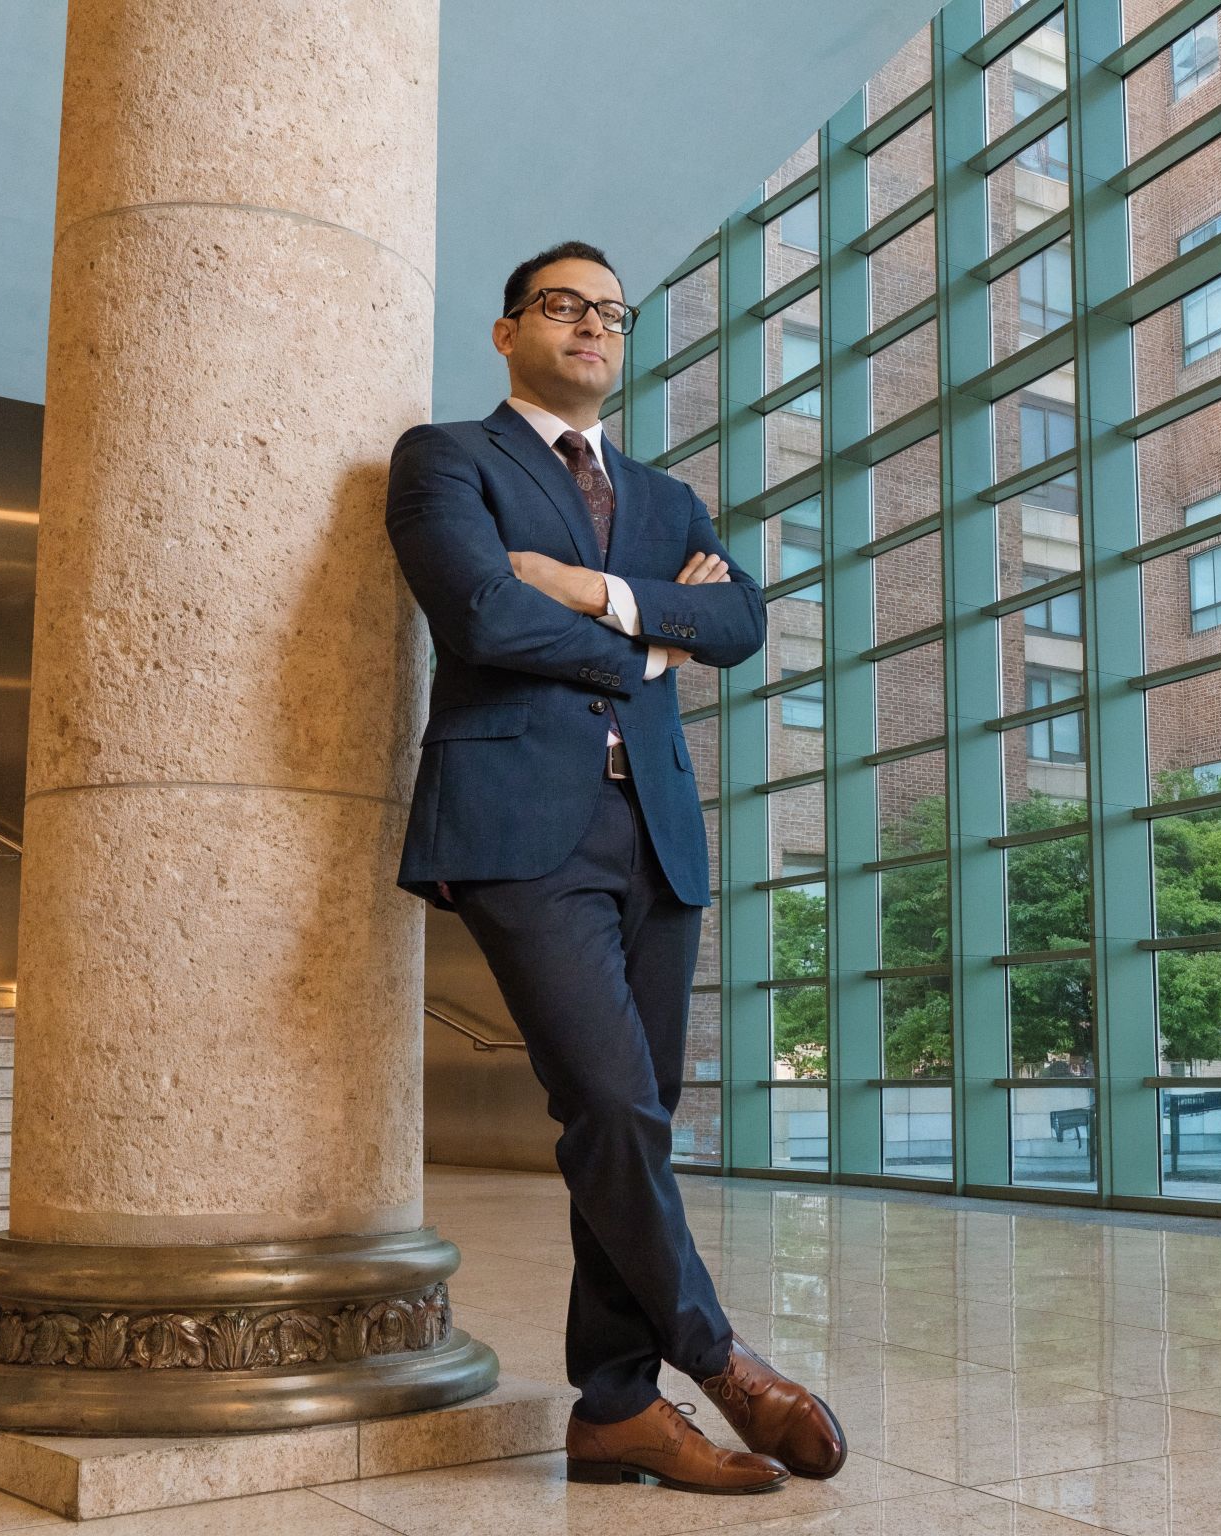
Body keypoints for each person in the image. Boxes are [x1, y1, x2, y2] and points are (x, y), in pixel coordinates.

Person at [384, 239, 843, 1495]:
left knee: (630, 1121)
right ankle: (722, 1360)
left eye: (610, 312)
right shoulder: (446, 460)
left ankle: (615, 1411)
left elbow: (742, 621)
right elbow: (478, 613)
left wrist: (591, 592)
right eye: (561, 305)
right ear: (508, 330)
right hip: (521, 829)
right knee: (616, 1106)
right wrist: (653, 632)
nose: (590, 325)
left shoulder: (667, 498)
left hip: (660, 844)